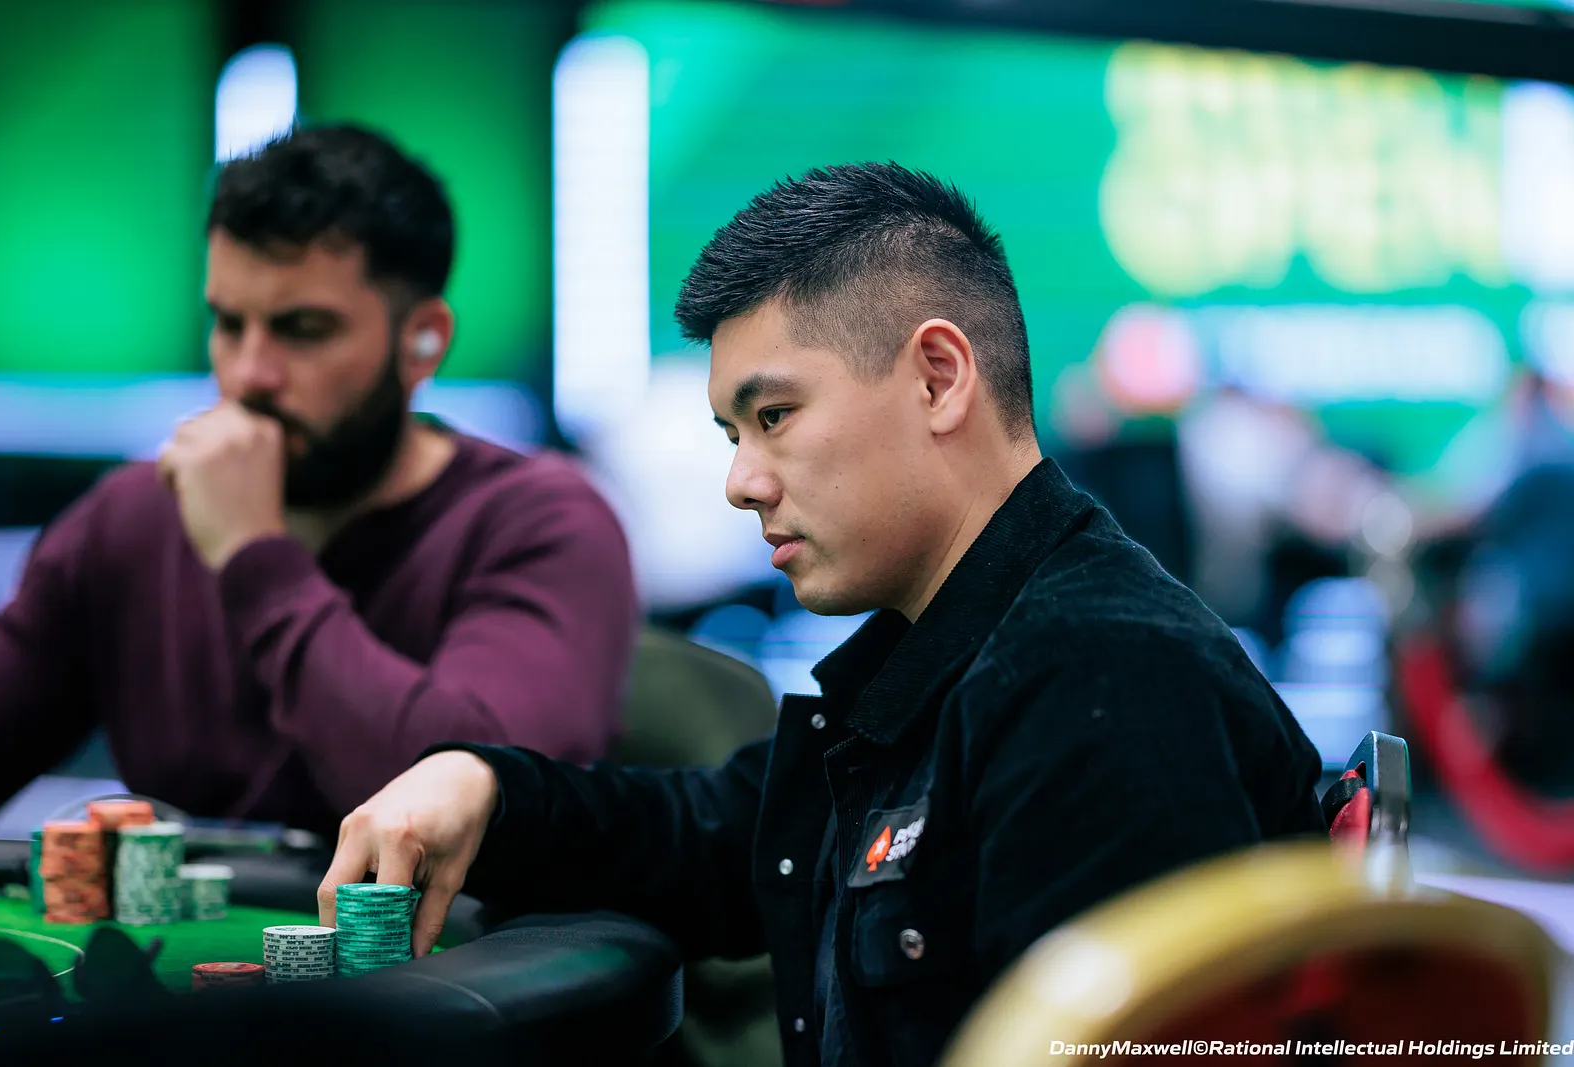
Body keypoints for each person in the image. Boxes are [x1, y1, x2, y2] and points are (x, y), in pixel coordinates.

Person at [321, 163, 1325, 1067]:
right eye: (733, 433)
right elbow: (717, 835)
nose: (740, 481)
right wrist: (486, 787)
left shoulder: (1097, 678)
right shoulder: (947, 650)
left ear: (938, 378)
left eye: (774, 416)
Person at [0, 124, 638, 837]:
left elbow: (469, 812)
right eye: (229, 324)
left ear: (424, 342)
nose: (249, 374)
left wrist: (254, 557)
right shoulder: (133, 518)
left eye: (303, 329)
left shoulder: (542, 522)